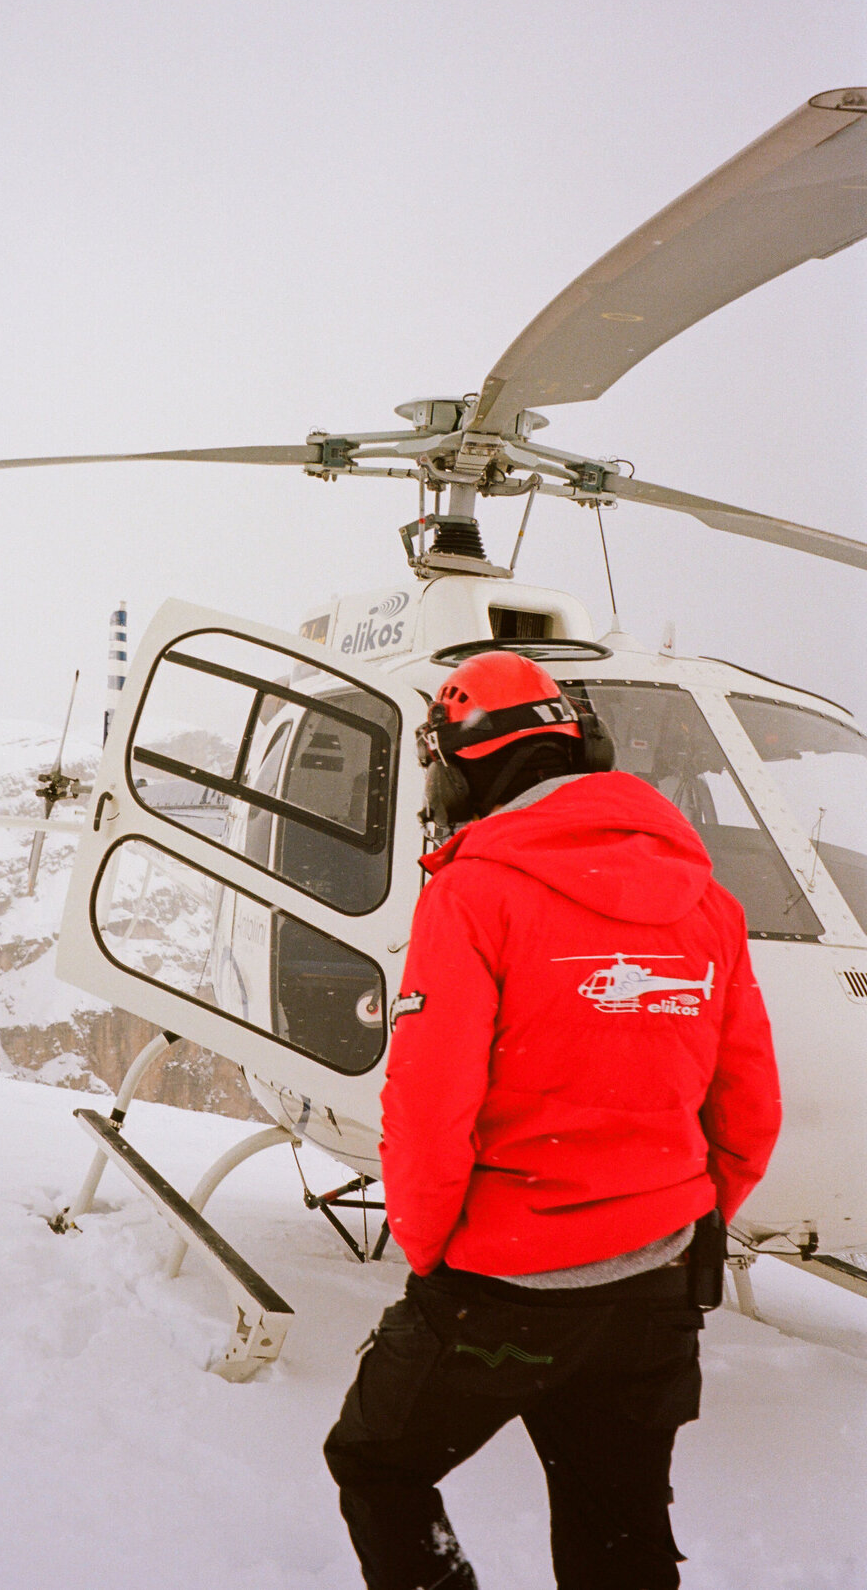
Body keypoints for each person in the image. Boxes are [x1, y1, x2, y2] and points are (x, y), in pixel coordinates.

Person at [324, 650, 781, 1590]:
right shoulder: (708, 903)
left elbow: (427, 1108)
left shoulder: (472, 893)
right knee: (618, 1530)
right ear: (587, 746)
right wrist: (670, 1219)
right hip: (654, 1289)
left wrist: (435, 1250)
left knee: (376, 1462)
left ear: (455, 771)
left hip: (502, 1284)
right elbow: (749, 1112)